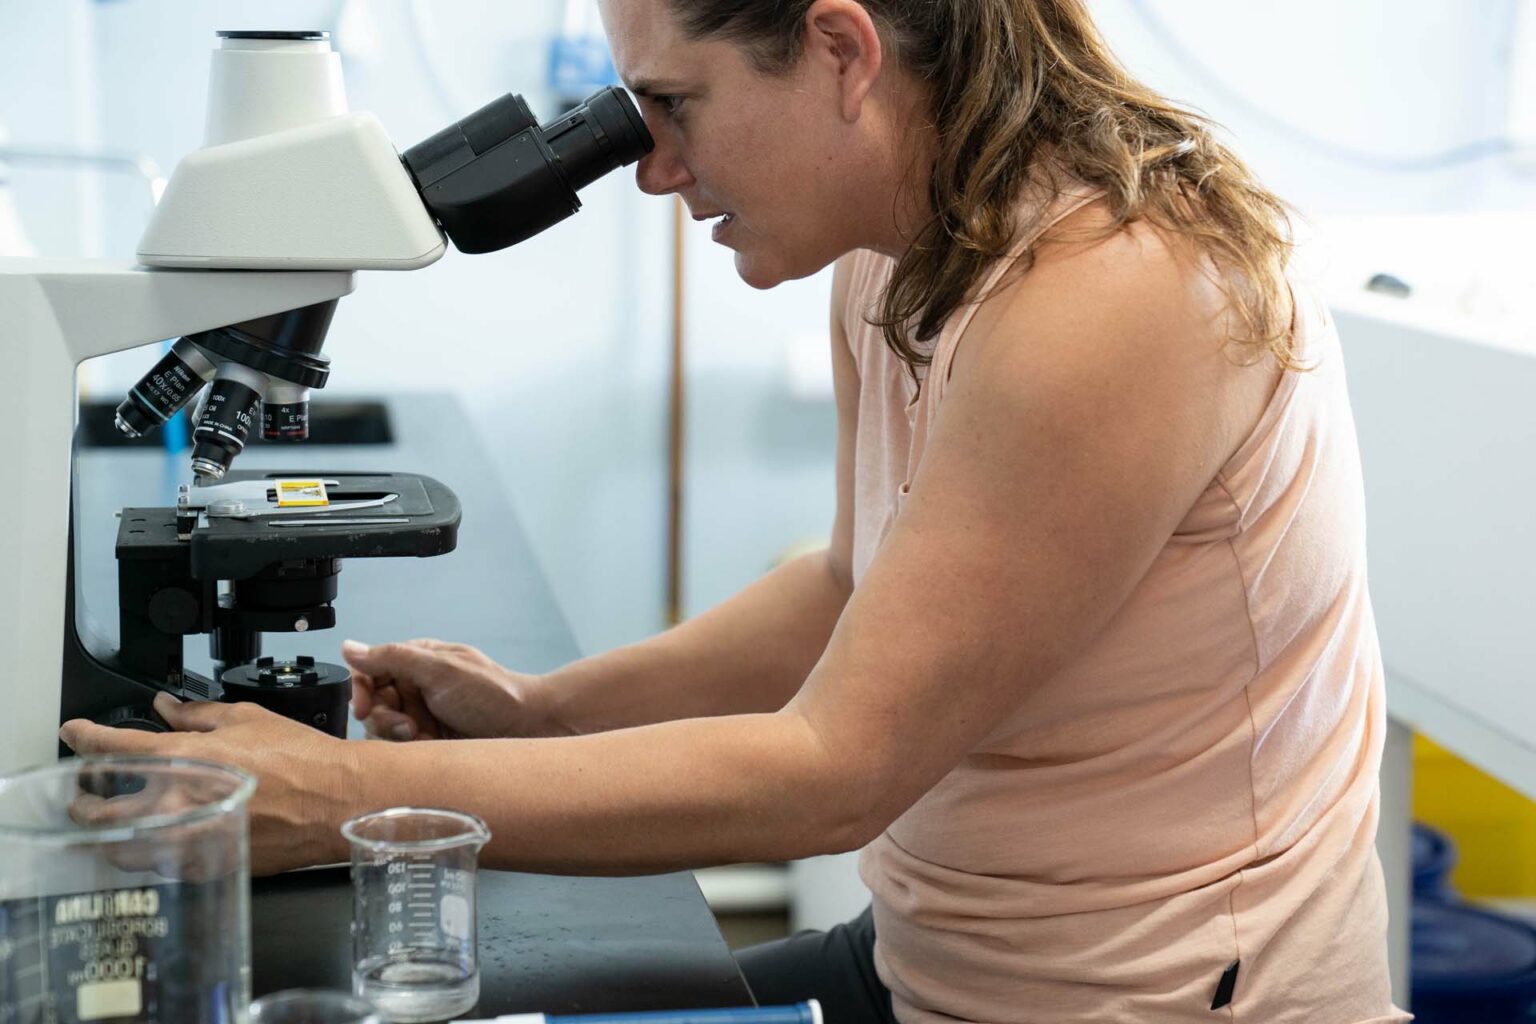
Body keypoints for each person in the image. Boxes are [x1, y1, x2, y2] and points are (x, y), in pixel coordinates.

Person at [62, 1, 1406, 1021]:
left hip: (1151, 998)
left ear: (841, 52)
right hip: (942, 960)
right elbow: (848, 585)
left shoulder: (1114, 292)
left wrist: (348, 797)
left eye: (672, 103)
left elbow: (835, 770)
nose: (653, 167)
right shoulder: (902, 256)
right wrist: (549, 711)